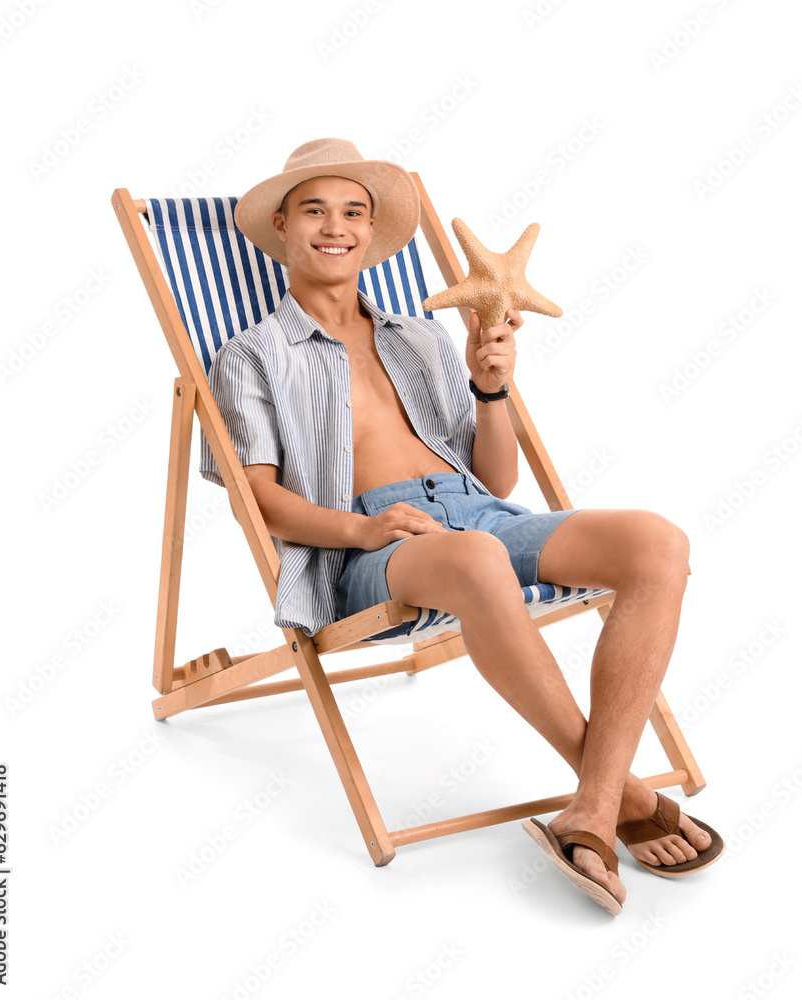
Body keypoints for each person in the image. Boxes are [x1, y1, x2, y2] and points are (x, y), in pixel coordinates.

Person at [201, 138, 724, 914]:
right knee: (477, 558)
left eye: (353, 212)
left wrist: (490, 390)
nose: (334, 226)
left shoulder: (419, 335)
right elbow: (260, 500)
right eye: (313, 210)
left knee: (656, 541)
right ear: (281, 227)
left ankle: (590, 805)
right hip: (367, 543)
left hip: (474, 512)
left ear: (371, 234)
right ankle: (624, 796)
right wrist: (360, 533)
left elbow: (499, 478)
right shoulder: (250, 355)